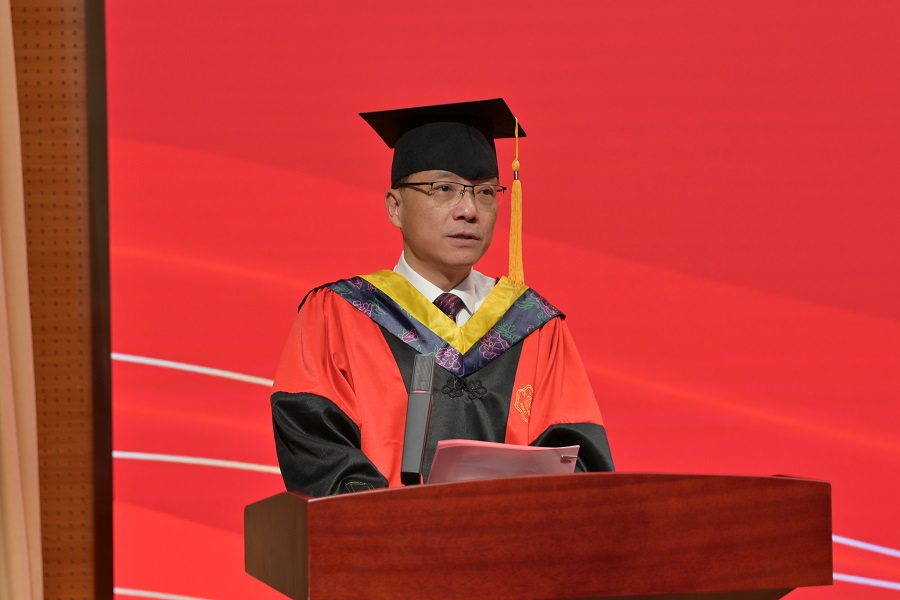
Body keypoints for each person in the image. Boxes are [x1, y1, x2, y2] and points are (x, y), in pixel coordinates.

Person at [271, 98, 614, 496]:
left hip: (511, 533)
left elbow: (579, 461)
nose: (469, 210)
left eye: (485, 192)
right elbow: (316, 446)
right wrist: (390, 515)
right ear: (395, 207)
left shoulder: (535, 327)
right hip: (385, 532)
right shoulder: (337, 315)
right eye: (444, 189)